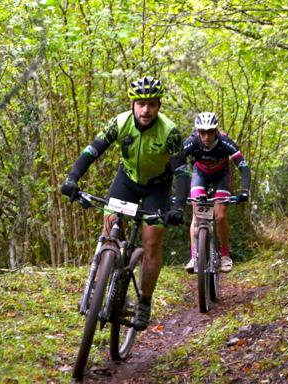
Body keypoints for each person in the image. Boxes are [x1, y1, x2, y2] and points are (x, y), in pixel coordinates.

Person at [60, 76, 190, 331]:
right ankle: (96, 289)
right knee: (109, 229)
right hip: (127, 180)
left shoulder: (170, 132)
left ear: (159, 106)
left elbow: (182, 173)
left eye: (152, 104)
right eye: (141, 103)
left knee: (151, 241)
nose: (146, 110)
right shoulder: (119, 123)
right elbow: (91, 151)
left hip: (157, 186)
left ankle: (144, 301)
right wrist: (73, 179)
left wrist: (178, 207)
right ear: (132, 104)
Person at [181, 112, 251, 274]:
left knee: (220, 216)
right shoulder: (191, 142)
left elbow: (244, 167)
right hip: (201, 174)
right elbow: (175, 162)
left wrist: (245, 190)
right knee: (196, 215)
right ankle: (194, 256)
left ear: (216, 131)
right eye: (203, 132)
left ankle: (225, 255)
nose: (206, 136)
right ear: (197, 131)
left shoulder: (225, 142)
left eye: (210, 132)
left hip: (221, 175)